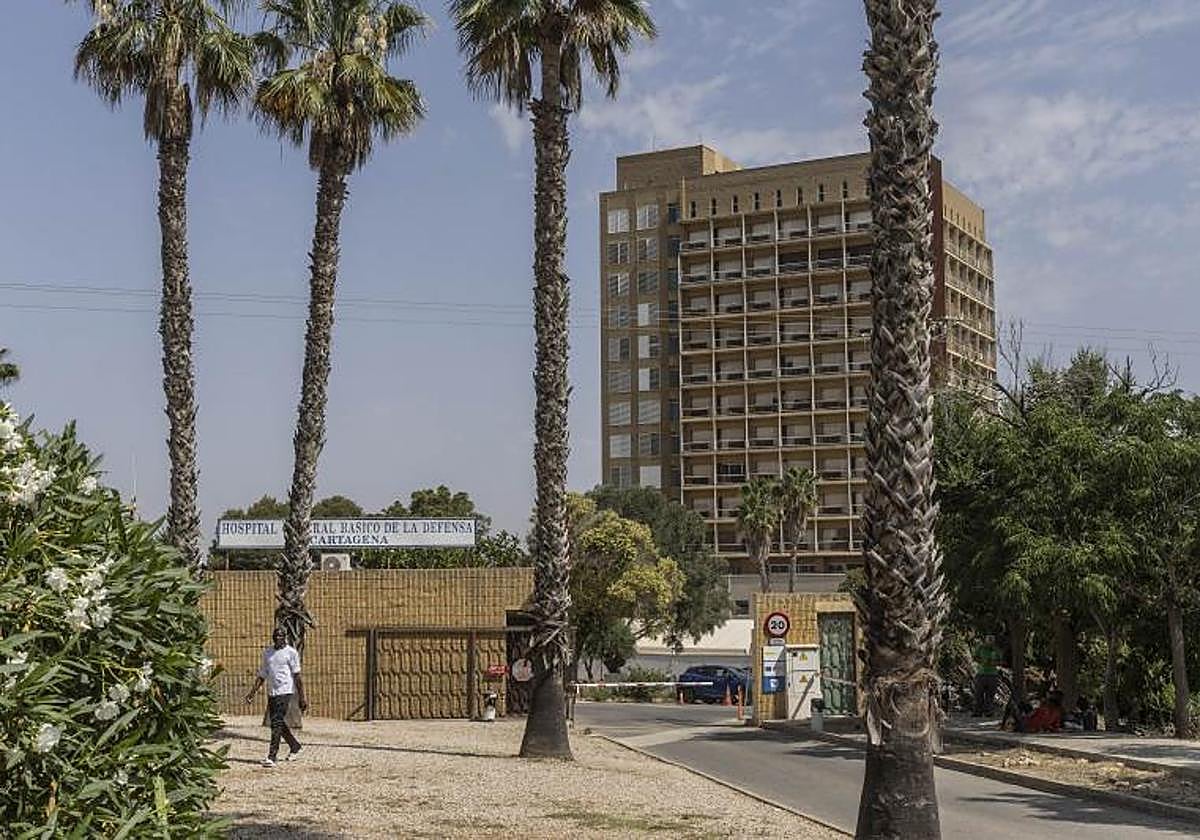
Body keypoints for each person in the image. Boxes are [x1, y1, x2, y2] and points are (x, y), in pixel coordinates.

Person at [244, 627, 307, 767]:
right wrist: (252, 693)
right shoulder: (268, 653)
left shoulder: (291, 653)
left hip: (285, 691)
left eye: (280, 636)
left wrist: (302, 698)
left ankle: (272, 756)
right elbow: (263, 674)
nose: (278, 638)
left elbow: (297, 676)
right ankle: (295, 746)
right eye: (275, 636)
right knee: (276, 721)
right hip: (272, 691)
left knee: (277, 722)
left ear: (285, 637)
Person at [972, 634, 1002, 717]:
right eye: (988, 640)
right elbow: (974, 657)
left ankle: (988, 711)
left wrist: (994, 663)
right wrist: (982, 661)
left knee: (990, 694)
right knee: (979, 693)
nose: (990, 642)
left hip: (992, 674)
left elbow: (1000, 661)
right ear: (985, 640)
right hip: (981, 673)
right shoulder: (980, 648)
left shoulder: (996, 650)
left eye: (991, 640)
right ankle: (978, 711)